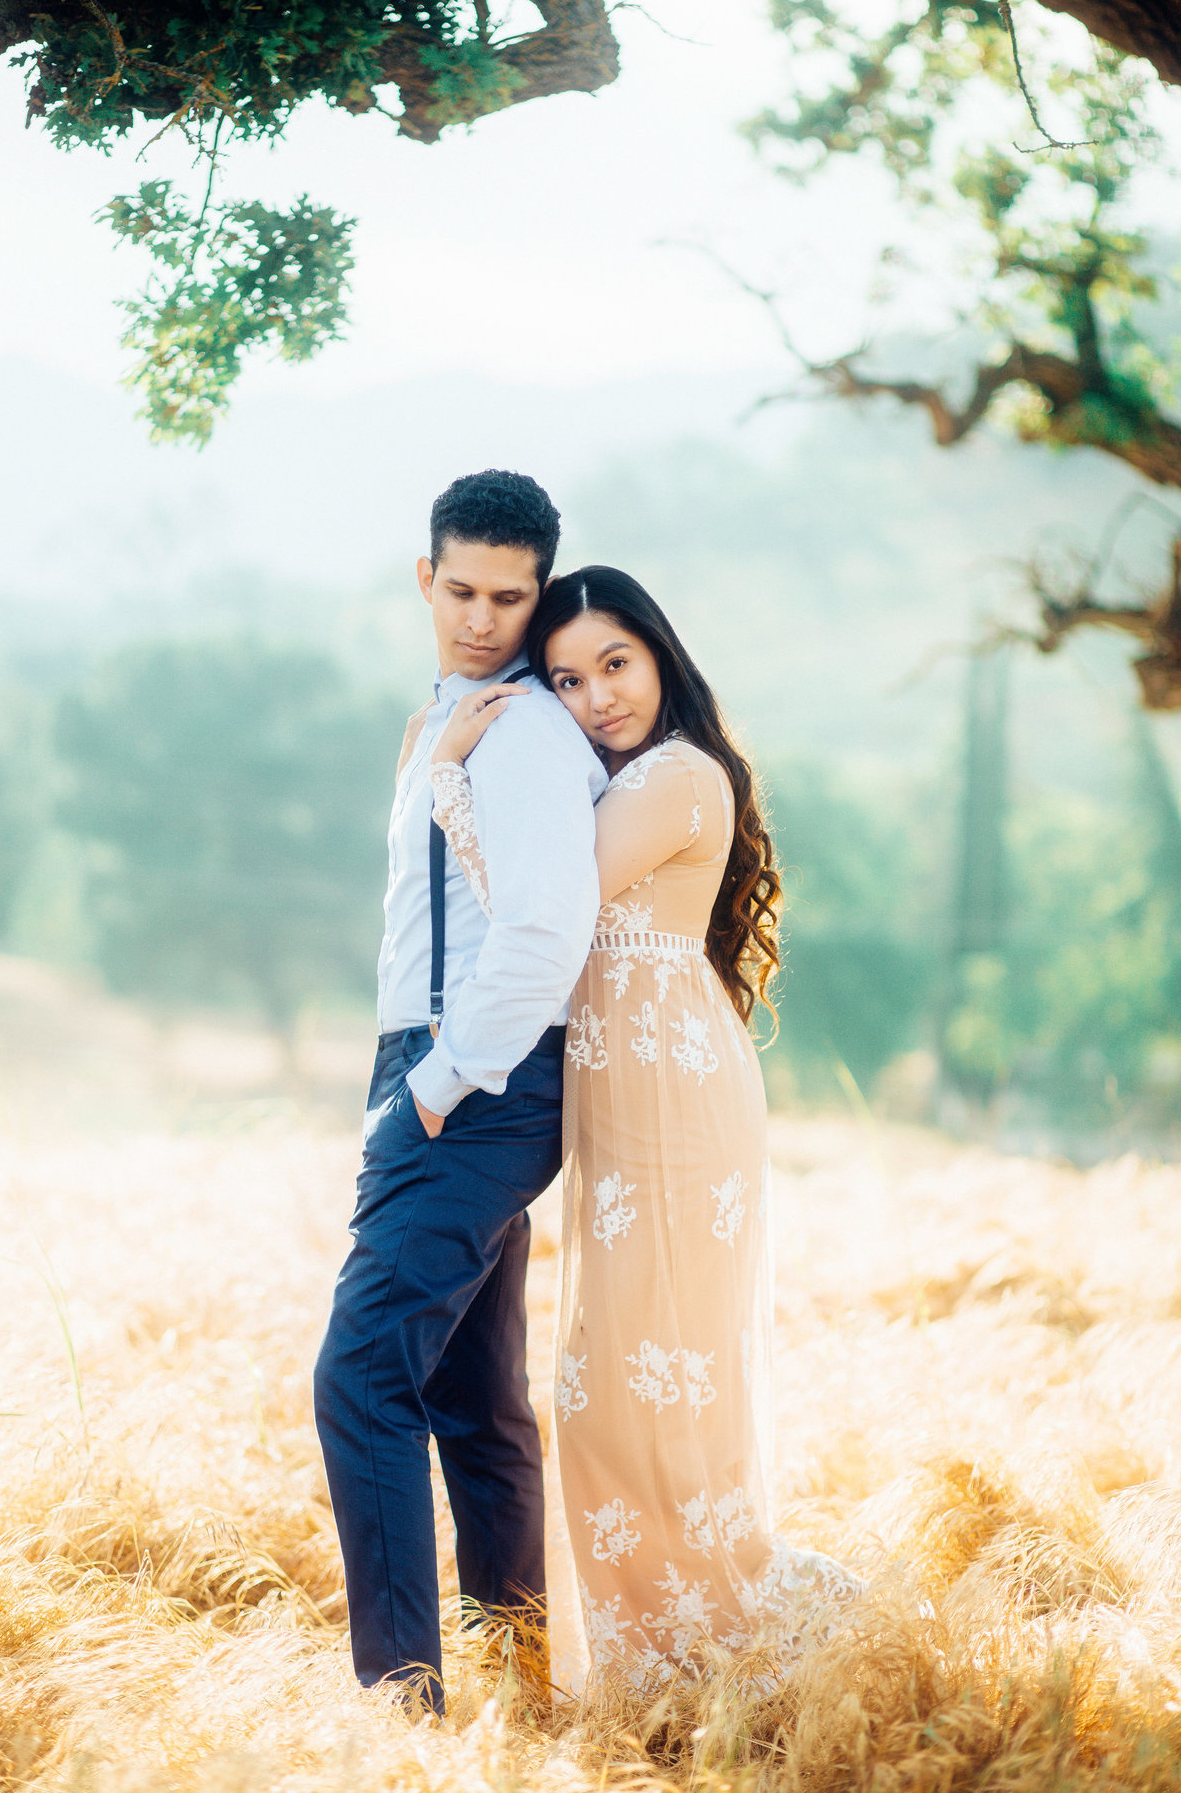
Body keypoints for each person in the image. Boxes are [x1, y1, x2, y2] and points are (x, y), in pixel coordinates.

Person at [429, 566, 863, 1678]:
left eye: (613, 664)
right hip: (633, 1101)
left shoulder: (677, 774)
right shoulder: (626, 780)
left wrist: (447, 781)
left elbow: (544, 899)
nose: (596, 697)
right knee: (621, 1385)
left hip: (674, 1101)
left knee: (630, 1389)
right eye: (566, 680)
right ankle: (656, 1646)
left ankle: (701, 1643)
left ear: (660, 655)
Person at [312, 474, 607, 1712]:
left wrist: (435, 1085)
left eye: (513, 596)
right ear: (422, 580)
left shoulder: (527, 728)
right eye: (464, 590)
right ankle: (517, 1668)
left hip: (476, 1071)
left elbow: (543, 926)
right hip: (442, 1060)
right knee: (471, 1396)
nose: (486, 617)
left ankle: (403, 1706)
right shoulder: (451, 720)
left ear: (540, 591)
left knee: (362, 1374)